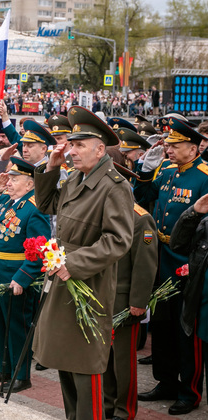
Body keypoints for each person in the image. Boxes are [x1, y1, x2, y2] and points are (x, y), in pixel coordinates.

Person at [33, 106, 134, 420]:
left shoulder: (114, 186)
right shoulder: (77, 177)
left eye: (78, 145)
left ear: (100, 149)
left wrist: (74, 263)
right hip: (65, 283)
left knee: (85, 367)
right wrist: (50, 169)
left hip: (89, 286)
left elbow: (118, 240)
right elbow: (47, 204)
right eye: (71, 144)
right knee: (65, 362)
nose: (71, 151)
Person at [133, 117, 208, 415]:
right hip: (161, 257)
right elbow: (143, 199)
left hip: (189, 262)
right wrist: (144, 172)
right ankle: (165, 381)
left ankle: (190, 392)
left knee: (186, 330)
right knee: (162, 327)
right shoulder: (165, 170)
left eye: (176, 146)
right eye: (169, 145)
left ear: (194, 148)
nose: (169, 150)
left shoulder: (204, 175)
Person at [0, 157, 51, 392]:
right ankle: (4, 368)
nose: (8, 182)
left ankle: (21, 375)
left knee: (17, 327)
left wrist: (23, 277)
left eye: (14, 179)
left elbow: (39, 249)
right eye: (8, 178)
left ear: (29, 184)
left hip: (14, 278)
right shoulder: (4, 200)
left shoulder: (34, 208)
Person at [102, 164, 158, 420]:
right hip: (102, 297)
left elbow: (145, 265)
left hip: (124, 301)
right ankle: (107, 404)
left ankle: (124, 410)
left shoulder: (140, 218)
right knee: (104, 357)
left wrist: (138, 302)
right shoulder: (104, 211)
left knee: (122, 361)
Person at [169, 192, 208, 412]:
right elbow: (177, 244)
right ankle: (189, 393)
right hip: (201, 299)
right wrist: (193, 212)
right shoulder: (204, 221)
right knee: (194, 349)